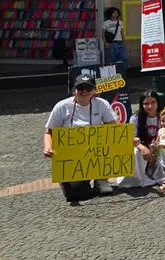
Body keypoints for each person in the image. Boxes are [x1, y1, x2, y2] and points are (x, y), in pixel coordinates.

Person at [43, 74, 118, 202]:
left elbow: (115, 128)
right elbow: (49, 132)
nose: (84, 91)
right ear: (74, 90)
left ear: (94, 90)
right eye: (80, 88)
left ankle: (101, 178)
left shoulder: (102, 104)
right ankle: (71, 180)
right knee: (76, 194)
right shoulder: (62, 106)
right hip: (72, 158)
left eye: (88, 88)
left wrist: (132, 141)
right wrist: (48, 147)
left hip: (95, 153)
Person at [117, 93, 164, 188]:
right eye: (146, 103)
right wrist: (142, 148)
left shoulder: (164, 116)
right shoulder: (135, 118)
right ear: (142, 105)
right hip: (143, 147)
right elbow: (131, 138)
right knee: (135, 152)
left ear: (158, 102)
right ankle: (140, 179)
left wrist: (155, 154)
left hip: (160, 148)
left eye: (153, 102)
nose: (150, 106)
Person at [102, 7, 127, 71]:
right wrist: (105, 43)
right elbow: (103, 34)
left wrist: (124, 42)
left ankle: (122, 72)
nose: (115, 14)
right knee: (112, 59)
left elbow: (122, 33)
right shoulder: (106, 23)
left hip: (120, 42)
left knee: (123, 58)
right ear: (110, 14)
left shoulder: (120, 22)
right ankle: (112, 73)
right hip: (111, 44)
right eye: (114, 12)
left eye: (117, 13)